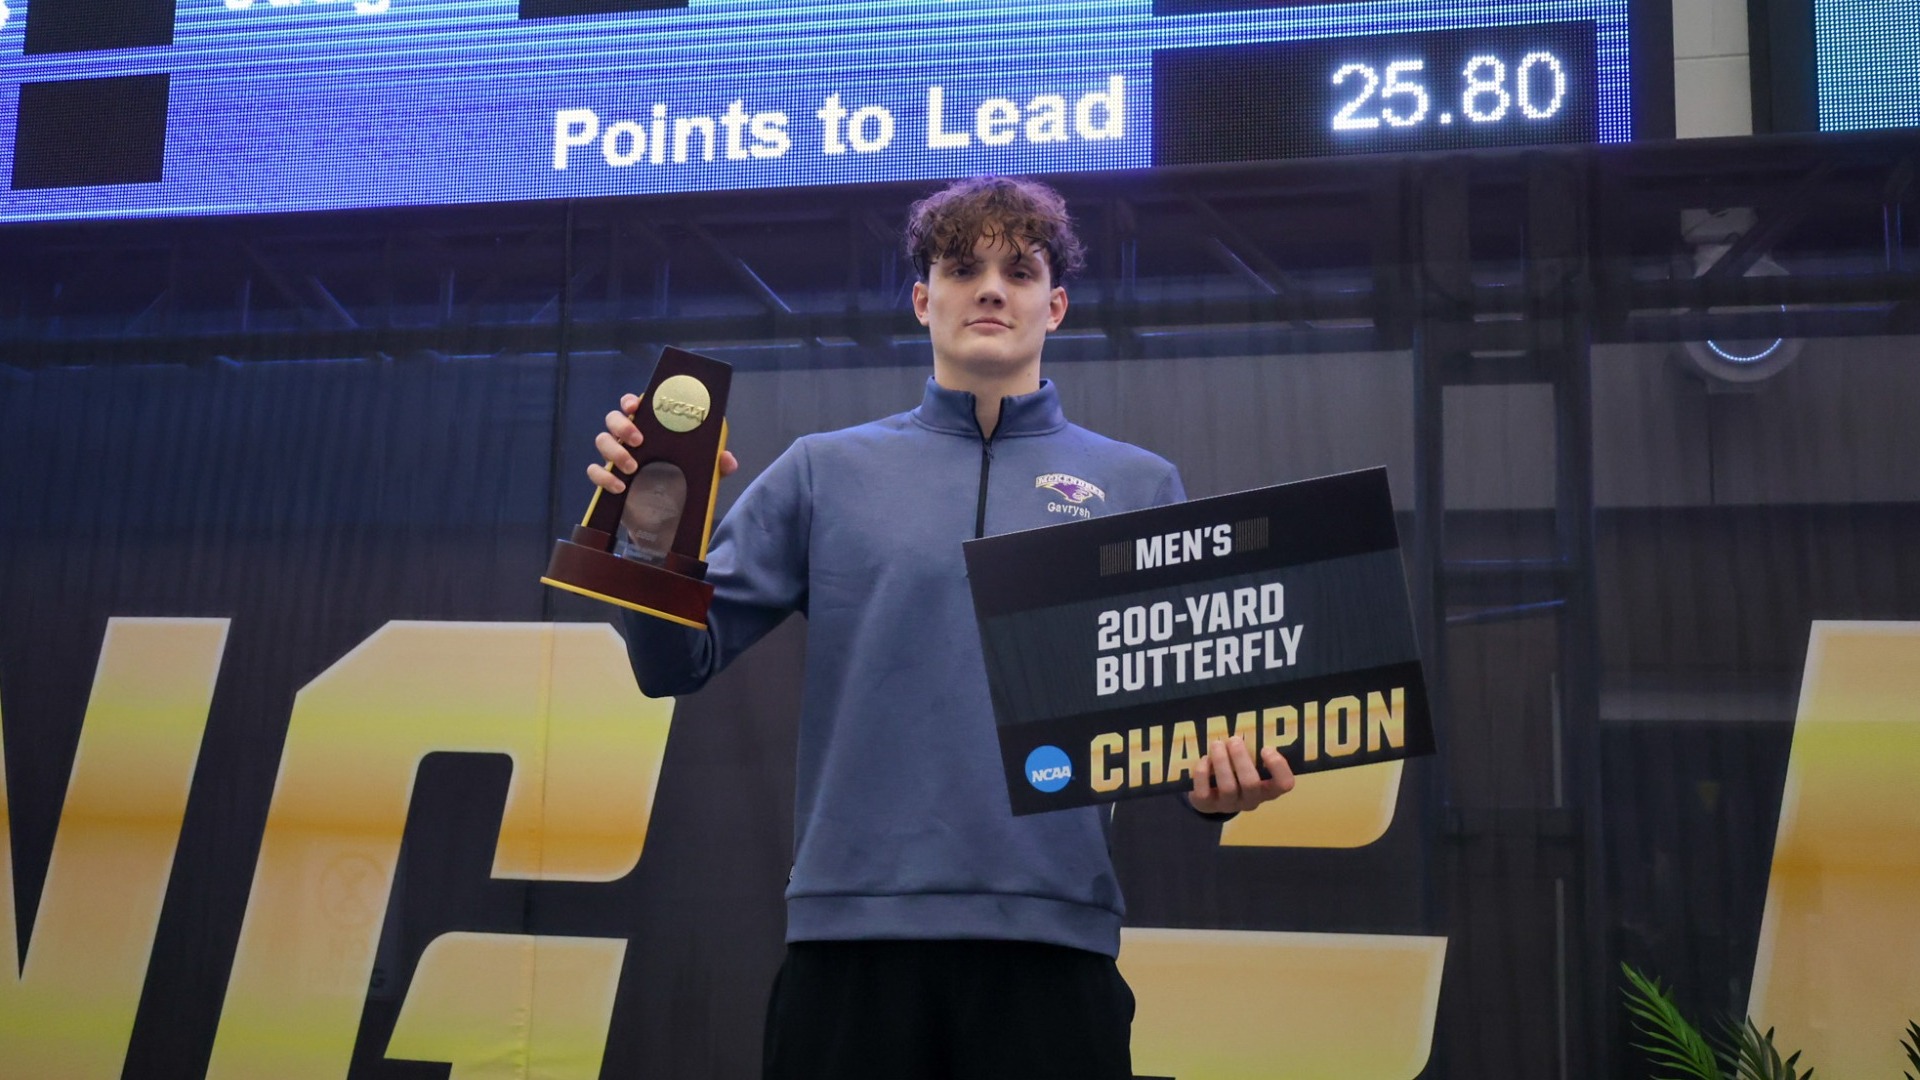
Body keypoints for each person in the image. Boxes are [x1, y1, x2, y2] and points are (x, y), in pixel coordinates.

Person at [588, 176, 1295, 1080]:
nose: (992, 288)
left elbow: (1189, 735)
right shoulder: (823, 472)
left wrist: (1218, 787)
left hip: (1054, 948)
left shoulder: (1139, 486)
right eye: (963, 268)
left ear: (1057, 306)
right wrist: (647, 529)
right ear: (924, 301)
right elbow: (673, 661)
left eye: (1021, 269)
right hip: (853, 948)